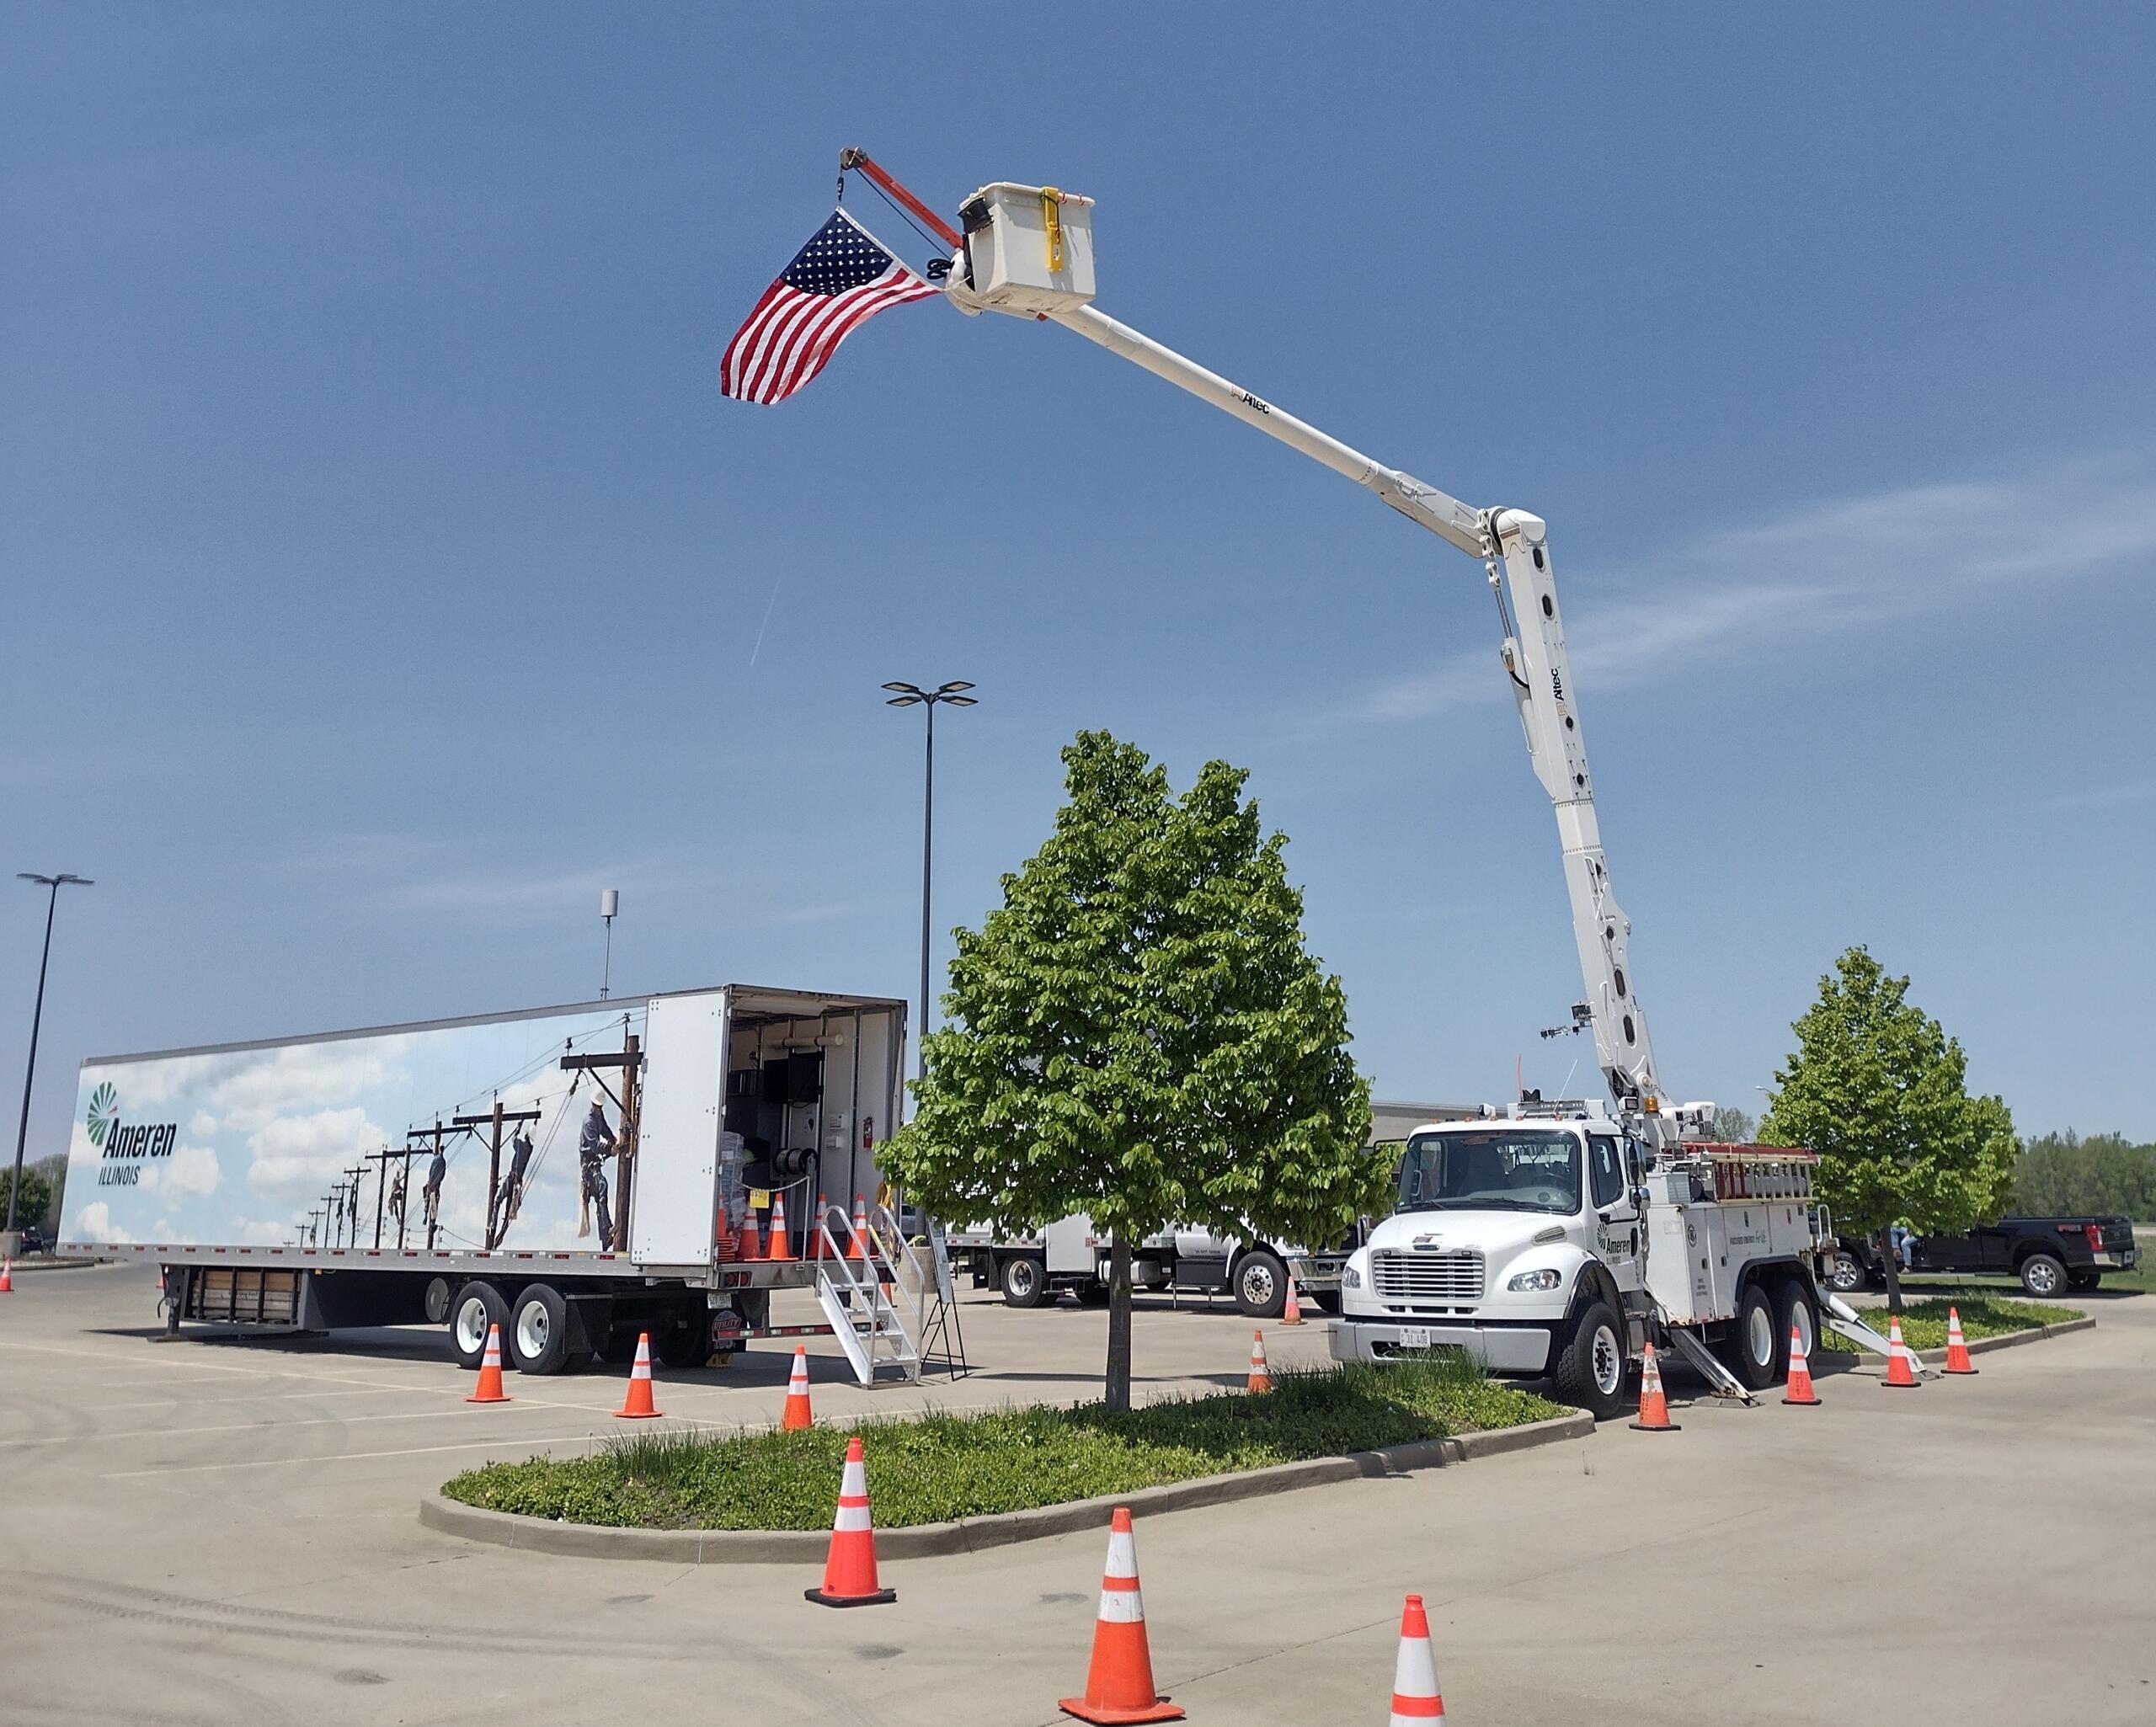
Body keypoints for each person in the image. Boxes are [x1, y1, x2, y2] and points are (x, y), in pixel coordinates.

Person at [579, 1100, 616, 1250]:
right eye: (598, 1107)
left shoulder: (599, 1116)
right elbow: (594, 1145)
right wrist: (608, 1149)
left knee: (601, 1193)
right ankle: (606, 1230)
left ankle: (606, 1235)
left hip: (594, 1163)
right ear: (593, 1105)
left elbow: (605, 1129)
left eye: (601, 1107)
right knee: (602, 1186)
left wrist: (612, 1139)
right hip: (588, 1165)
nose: (600, 1109)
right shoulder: (589, 1121)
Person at [490, 1126, 534, 1247]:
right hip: (517, 1185)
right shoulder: (530, 1149)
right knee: (508, 1213)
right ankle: (500, 1236)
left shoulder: (521, 1145)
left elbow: (513, 1139)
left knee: (497, 1201)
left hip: (511, 1179)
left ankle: (493, 1228)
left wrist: (517, 1128)